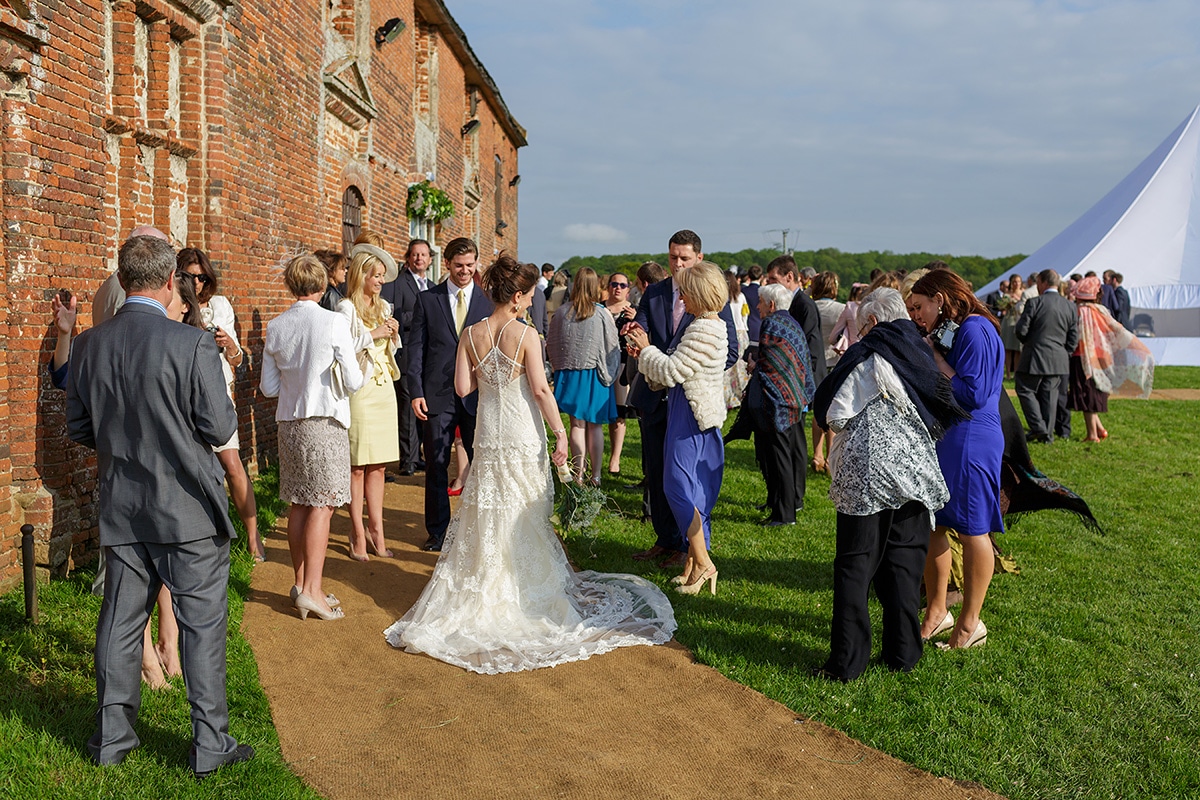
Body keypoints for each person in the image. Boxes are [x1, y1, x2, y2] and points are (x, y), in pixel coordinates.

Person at [384, 256, 675, 672]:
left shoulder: (471, 333)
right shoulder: (525, 335)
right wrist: (560, 432)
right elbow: (540, 389)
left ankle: (487, 581)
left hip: (488, 432)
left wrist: (487, 378)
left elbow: (463, 387)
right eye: (528, 294)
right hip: (521, 432)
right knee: (524, 505)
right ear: (518, 297)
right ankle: (522, 587)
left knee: (488, 506)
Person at [67, 235, 253, 776]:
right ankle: (210, 745)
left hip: (123, 505)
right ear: (171, 281)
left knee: (120, 625)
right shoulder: (191, 344)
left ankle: (112, 742)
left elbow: (80, 427)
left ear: (123, 281)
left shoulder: (89, 345)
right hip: (188, 508)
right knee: (202, 627)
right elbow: (220, 427)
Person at [812, 288, 966, 681]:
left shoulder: (869, 353)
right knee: (903, 563)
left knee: (855, 565)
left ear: (873, 323)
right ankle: (903, 653)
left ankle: (847, 664)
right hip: (915, 469)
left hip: (869, 474)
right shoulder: (921, 352)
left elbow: (835, 410)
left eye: (863, 325)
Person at [623, 231, 738, 569]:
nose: (677, 264)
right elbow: (640, 330)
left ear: (698, 259)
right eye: (673, 257)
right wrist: (636, 342)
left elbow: (728, 349)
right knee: (658, 474)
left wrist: (684, 365)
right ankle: (666, 540)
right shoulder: (655, 291)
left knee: (688, 481)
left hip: (688, 399)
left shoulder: (710, 303)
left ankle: (695, 554)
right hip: (655, 394)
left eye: (684, 258)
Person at [261, 254, 365, 620]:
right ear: (322, 287)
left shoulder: (276, 326)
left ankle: (303, 583)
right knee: (322, 505)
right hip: (324, 422)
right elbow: (354, 381)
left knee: (299, 504)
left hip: (289, 423)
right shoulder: (335, 323)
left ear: (291, 285)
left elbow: (268, 387)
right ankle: (312, 592)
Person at [906, 269, 1005, 650]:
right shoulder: (961, 328)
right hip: (954, 437)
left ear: (941, 300)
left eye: (920, 307)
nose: (917, 315)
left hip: (971, 438)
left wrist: (935, 359)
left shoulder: (975, 328)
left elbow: (973, 394)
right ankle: (936, 611)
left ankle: (970, 623)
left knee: (972, 529)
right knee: (937, 522)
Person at [176, 248, 262, 562]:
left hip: (215, 395)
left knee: (232, 466)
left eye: (202, 276)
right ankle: (204, 538)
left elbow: (238, 360)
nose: (197, 282)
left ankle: (252, 537)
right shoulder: (174, 305)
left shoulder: (220, 305)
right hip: (182, 396)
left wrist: (228, 344)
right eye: (190, 275)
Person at [409, 237, 494, 551]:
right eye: (459, 266)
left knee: (481, 463)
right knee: (436, 463)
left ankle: (482, 532)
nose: (465, 271)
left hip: (479, 395)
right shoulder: (427, 299)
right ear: (446, 264)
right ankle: (438, 533)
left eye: (470, 265)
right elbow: (415, 349)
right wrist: (416, 391)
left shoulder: (487, 302)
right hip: (437, 396)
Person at [339, 244, 401, 560]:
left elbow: (391, 348)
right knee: (357, 466)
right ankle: (356, 530)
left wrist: (392, 333)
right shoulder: (345, 308)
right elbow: (343, 347)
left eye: (381, 276)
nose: (380, 281)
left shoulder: (384, 306)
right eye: (375, 275)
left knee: (378, 465)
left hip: (383, 388)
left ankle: (377, 529)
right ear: (360, 274)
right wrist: (377, 332)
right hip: (360, 391)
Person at [743, 283, 815, 526]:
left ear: (771, 304)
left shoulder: (772, 323)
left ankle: (784, 515)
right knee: (785, 456)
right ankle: (780, 503)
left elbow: (771, 366)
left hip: (778, 402)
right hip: (794, 399)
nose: (757, 306)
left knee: (780, 458)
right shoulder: (791, 322)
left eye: (761, 302)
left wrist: (755, 365)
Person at [546, 268, 621, 484]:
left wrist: (560, 367)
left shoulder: (562, 312)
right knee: (595, 426)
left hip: (570, 375)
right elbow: (612, 346)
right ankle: (595, 475)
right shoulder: (602, 313)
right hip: (595, 374)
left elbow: (552, 343)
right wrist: (610, 371)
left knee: (576, 425)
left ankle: (578, 474)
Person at [1068, 275, 1155, 441]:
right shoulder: (1101, 310)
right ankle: (1099, 429)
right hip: (1101, 357)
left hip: (1083, 357)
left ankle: (1092, 435)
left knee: (1087, 394)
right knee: (1094, 392)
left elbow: (1076, 336)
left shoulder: (1080, 311)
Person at [380, 238, 432, 476]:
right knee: (407, 405)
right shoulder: (398, 283)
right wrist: (422, 317)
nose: (419, 258)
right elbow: (394, 317)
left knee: (423, 403)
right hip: (406, 351)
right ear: (408, 258)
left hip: (427, 353)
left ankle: (418, 454)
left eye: (423, 254)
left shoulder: (432, 285)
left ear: (430, 259)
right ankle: (407, 459)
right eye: (415, 254)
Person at [1014, 269, 1079, 443]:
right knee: (1051, 395)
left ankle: (1039, 428)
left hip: (1035, 354)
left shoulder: (1035, 302)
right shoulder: (1070, 306)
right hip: (1059, 356)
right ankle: (1047, 434)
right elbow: (1074, 336)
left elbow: (1021, 330)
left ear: (1042, 282)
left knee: (1025, 388)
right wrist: (1066, 353)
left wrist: (1029, 342)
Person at [764, 255, 827, 386]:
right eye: (768, 279)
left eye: (774, 279)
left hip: (806, 379)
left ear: (789, 277)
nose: (769, 283)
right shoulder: (787, 302)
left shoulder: (804, 305)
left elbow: (810, 347)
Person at [604, 270, 636, 475]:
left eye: (622, 285)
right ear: (608, 286)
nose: (618, 288)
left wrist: (636, 320)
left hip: (623, 364)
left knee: (619, 414)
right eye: (614, 284)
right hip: (601, 364)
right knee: (599, 413)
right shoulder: (599, 309)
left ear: (628, 289)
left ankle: (615, 459)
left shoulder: (634, 311)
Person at [723, 271, 751, 408]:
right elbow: (745, 314)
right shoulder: (741, 297)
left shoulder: (722, 297)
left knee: (727, 369)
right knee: (739, 366)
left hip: (729, 331)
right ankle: (741, 394)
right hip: (741, 331)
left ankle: (728, 397)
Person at [998, 274, 1025, 379]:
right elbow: (1001, 307)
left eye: (1018, 281)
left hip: (1018, 321)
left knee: (1017, 349)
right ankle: (1008, 373)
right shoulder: (1007, 294)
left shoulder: (1023, 294)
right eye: (1014, 281)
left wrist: (1018, 300)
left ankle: (1016, 372)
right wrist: (1007, 303)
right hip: (1008, 321)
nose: (1016, 284)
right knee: (1008, 349)